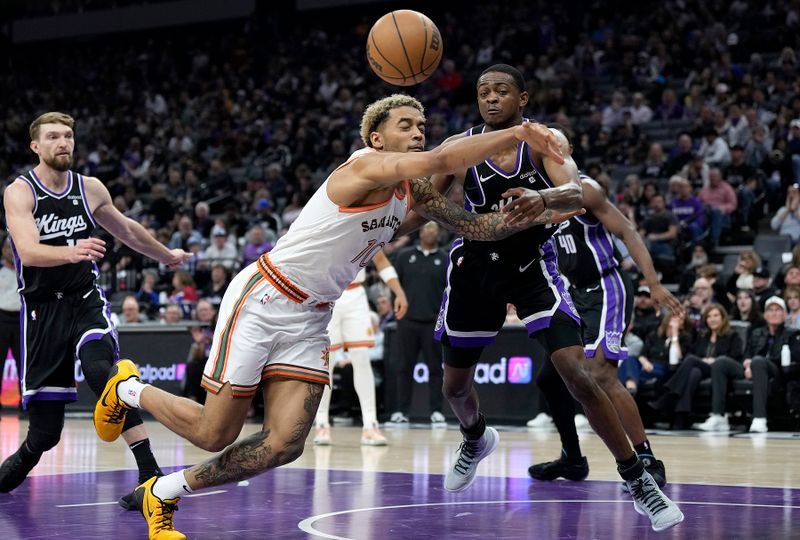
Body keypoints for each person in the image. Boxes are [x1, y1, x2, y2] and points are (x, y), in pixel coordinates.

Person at [93, 94, 579, 539]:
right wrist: (518, 132)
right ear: (376, 138)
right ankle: (127, 388)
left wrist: (541, 205)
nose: (417, 132)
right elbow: (440, 159)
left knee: (285, 445)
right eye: (405, 125)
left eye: (421, 124)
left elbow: (480, 227)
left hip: (311, 318)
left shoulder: (415, 192)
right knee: (213, 433)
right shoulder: (364, 167)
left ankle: (164, 491)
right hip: (266, 299)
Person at [400, 65, 683, 531]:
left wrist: (545, 199)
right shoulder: (460, 149)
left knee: (577, 372)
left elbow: (576, 193)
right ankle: (475, 437)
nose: (491, 99)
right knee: (454, 388)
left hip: (533, 270)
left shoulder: (544, 141)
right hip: (474, 272)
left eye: (502, 91)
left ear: (523, 98)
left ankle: (638, 481)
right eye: (483, 92)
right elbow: (427, 207)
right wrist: (376, 234)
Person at [0, 112, 191, 502]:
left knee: (103, 371)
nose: (63, 142)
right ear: (36, 146)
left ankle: (149, 474)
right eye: (53, 136)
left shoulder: (89, 188)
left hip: (85, 299)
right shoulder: (20, 191)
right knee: (44, 435)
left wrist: (166, 255)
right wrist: (72, 251)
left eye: (68, 135)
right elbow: (29, 252)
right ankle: (17, 465)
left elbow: (126, 228)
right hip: (41, 311)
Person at [527, 153, 682, 491]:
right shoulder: (535, 195)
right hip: (570, 294)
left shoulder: (584, 189)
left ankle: (646, 459)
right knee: (551, 380)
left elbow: (627, 231)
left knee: (600, 373)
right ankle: (572, 457)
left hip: (605, 287)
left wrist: (653, 283)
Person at [314, 249, 408, 446]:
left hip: (356, 293)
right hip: (327, 293)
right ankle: (321, 424)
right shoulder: (326, 224)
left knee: (362, 359)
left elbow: (381, 260)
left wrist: (398, 292)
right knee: (325, 363)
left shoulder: (366, 224)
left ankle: (370, 425)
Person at [696, 296, 799, 433]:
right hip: (753, 367)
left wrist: (755, 363)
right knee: (721, 362)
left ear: (785, 314)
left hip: (776, 371)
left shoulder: (792, 333)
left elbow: (789, 359)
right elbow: (746, 354)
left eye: (778, 310)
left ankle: (759, 418)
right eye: (770, 310)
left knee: (758, 361)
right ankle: (718, 416)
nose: (774, 313)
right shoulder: (756, 332)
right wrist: (747, 364)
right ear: (765, 314)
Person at [390, 221, 449, 425]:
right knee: (404, 367)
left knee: (436, 369)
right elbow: (395, 286)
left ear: (438, 234)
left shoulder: (444, 259)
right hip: (407, 321)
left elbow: (448, 292)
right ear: (420, 232)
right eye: (426, 228)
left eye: (434, 228)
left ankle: (436, 411)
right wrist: (396, 310)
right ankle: (401, 411)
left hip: (432, 322)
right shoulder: (405, 256)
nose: (430, 232)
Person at [650, 304, 742, 429]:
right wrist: (705, 360)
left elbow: (734, 357)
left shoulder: (732, 335)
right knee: (694, 373)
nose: (712, 319)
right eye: (709, 316)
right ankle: (681, 418)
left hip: (721, 371)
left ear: (723, 318)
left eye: (716, 315)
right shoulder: (703, 336)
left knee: (691, 361)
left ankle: (668, 394)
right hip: (704, 369)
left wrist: (712, 360)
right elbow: (694, 353)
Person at [0, 237, 22, 405]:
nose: (9, 250)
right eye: (7, 247)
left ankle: (25, 407)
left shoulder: (25, 271)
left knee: (23, 366)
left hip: (20, 321)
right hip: (2, 319)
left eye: (12, 247)